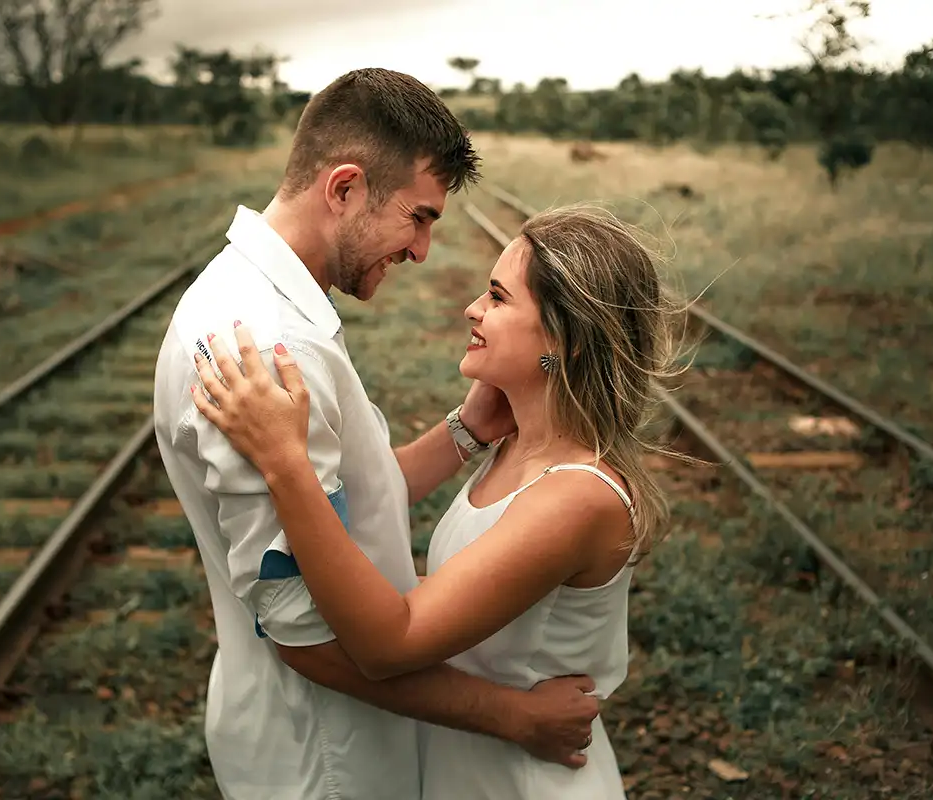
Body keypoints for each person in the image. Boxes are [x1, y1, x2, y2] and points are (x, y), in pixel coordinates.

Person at [152, 68, 602, 800]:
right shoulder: (264, 349)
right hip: (326, 757)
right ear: (344, 188)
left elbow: (338, 510)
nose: (422, 249)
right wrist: (512, 718)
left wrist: (464, 431)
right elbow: (306, 635)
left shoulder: (259, 304)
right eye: (418, 217)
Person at [188, 201, 687, 799]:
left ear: (565, 338)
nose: (473, 309)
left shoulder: (576, 496)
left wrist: (285, 462)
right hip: (474, 768)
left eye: (499, 298)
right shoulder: (517, 451)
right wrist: (466, 431)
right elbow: (449, 584)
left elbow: (387, 645)